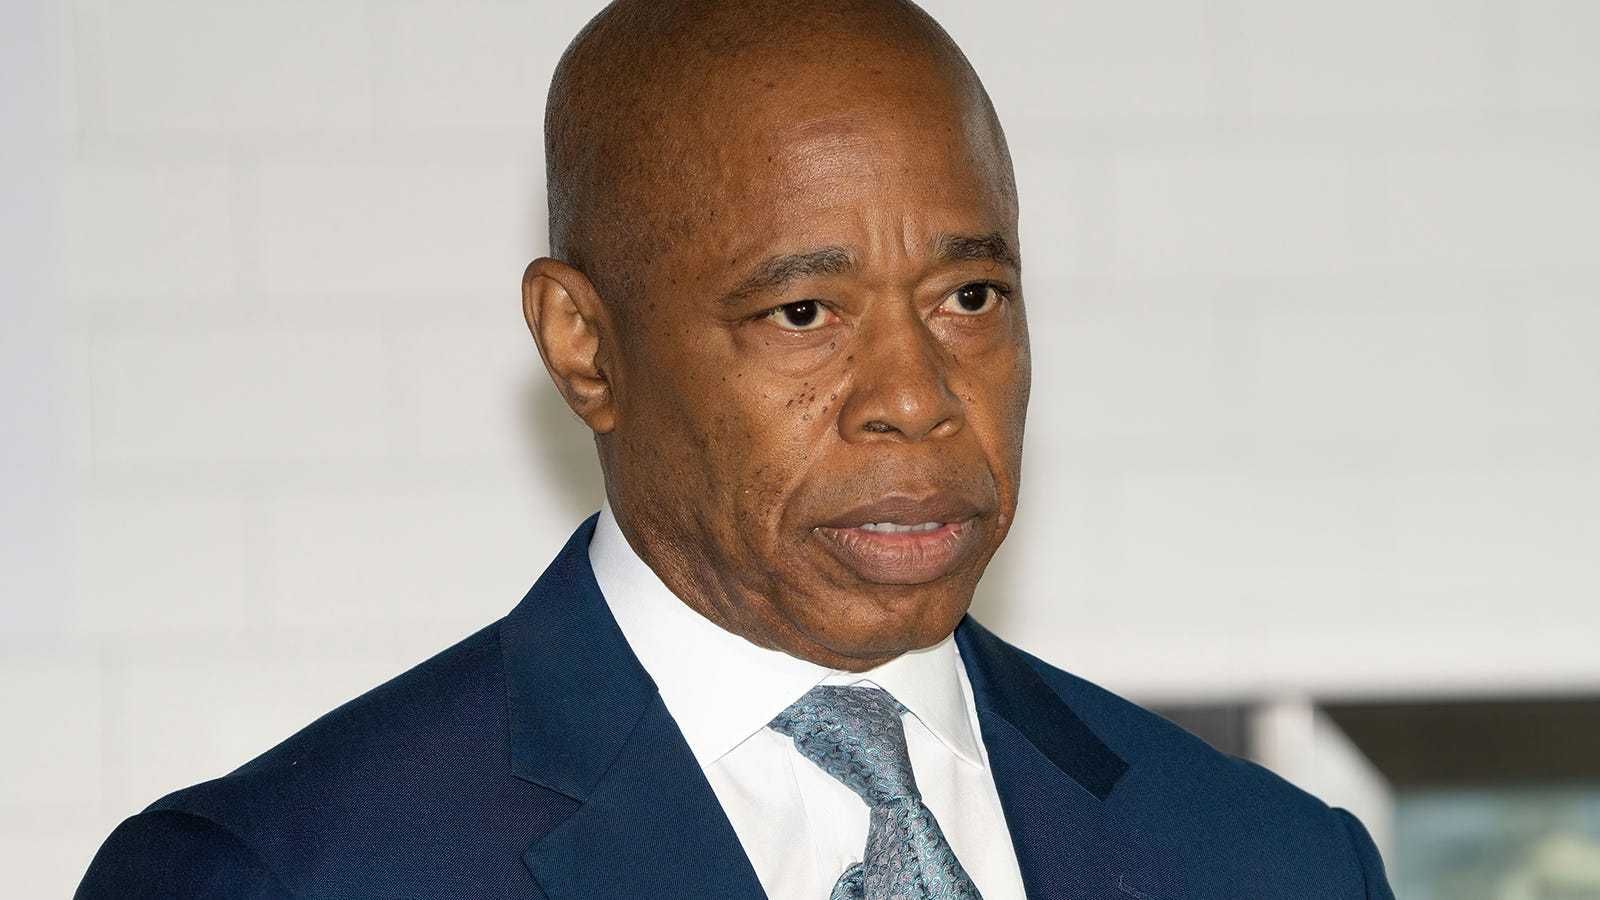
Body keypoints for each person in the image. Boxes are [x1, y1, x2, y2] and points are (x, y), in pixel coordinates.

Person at [77, 1, 1395, 898]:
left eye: (969, 297)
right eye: (804, 313)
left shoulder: (1272, 860)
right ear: (585, 345)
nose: (916, 398)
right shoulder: (284, 873)